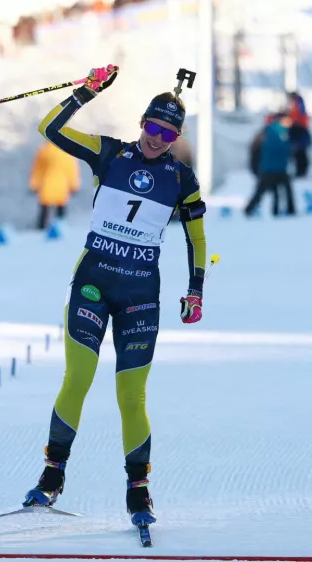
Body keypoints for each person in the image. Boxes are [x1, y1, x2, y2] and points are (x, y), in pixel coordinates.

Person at [23, 65, 208, 530]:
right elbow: (50, 128)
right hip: (93, 283)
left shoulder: (182, 178)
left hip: (141, 294)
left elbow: (197, 239)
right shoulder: (109, 153)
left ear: (176, 136)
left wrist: (196, 290)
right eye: (151, 126)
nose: (155, 138)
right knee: (78, 377)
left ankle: (138, 491)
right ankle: (51, 477)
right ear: (141, 122)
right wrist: (85, 92)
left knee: (131, 395)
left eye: (167, 132)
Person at [245, 113, 295, 217]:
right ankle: (288, 211)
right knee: (271, 191)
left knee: (269, 191)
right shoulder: (275, 132)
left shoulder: (271, 131)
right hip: (272, 168)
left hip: (274, 168)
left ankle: (279, 211)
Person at [29, 140, 80, 230]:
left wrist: (34, 184)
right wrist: (74, 185)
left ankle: (41, 229)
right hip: (62, 185)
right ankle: (61, 229)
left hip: (46, 184)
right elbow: (72, 170)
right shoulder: (67, 152)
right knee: (60, 208)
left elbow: (37, 170)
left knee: (44, 209)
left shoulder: (44, 150)